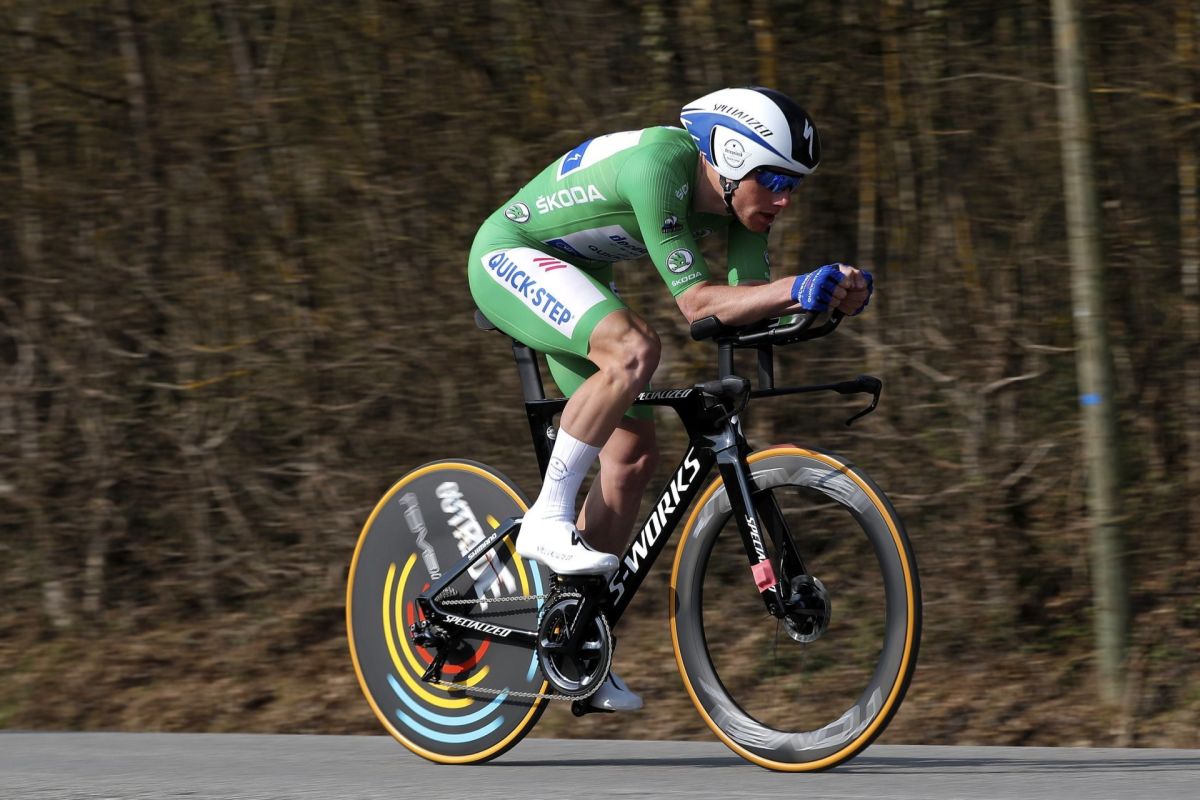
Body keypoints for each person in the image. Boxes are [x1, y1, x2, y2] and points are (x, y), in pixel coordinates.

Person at [466, 86, 872, 711]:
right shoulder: (660, 167)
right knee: (634, 348)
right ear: (730, 161)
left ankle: (576, 638)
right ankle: (547, 517)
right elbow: (697, 304)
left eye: (793, 185)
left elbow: (745, 308)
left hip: (577, 273)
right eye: (774, 181)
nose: (785, 199)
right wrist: (797, 285)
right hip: (509, 254)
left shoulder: (742, 210)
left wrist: (827, 297)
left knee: (630, 456)